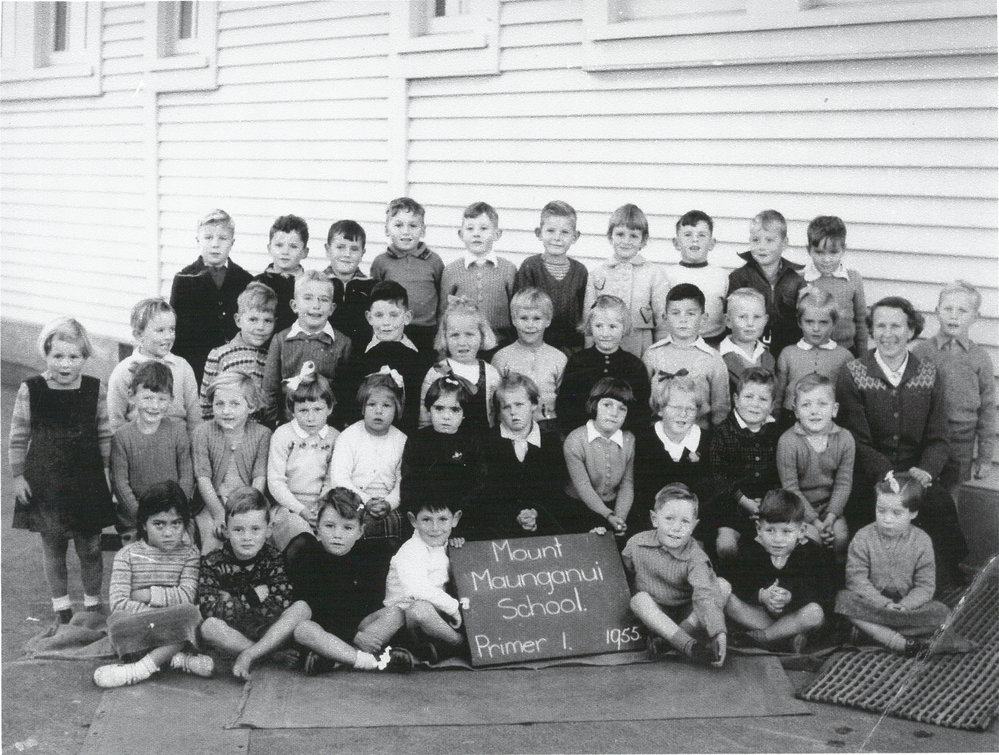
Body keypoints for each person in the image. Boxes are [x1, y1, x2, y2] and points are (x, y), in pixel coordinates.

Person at [837, 296, 967, 587]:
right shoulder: (853, 373)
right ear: (871, 330)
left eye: (896, 326)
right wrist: (886, 475)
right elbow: (856, 439)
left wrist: (926, 472)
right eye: (880, 326)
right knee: (869, 517)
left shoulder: (929, 373)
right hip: (870, 473)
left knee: (938, 507)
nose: (887, 334)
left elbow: (938, 437)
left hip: (917, 472)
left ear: (911, 330)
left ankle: (940, 584)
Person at [9, 317, 113, 624]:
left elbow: (104, 434)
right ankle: (62, 609)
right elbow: (18, 435)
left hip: (87, 481)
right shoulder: (32, 389)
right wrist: (18, 476)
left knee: (90, 547)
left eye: (73, 356)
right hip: (46, 484)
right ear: (46, 353)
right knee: (53, 547)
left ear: (85, 356)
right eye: (58, 356)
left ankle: (93, 606)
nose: (65, 364)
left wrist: (106, 473)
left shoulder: (95, 389)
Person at [93, 482, 212, 687]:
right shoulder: (126, 555)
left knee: (191, 614)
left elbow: (186, 596)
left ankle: (138, 670)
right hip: (143, 626)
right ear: (143, 525)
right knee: (117, 622)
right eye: (159, 524)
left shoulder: (190, 553)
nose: (168, 532)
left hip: (173, 623)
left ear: (185, 524)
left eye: (176, 524)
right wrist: (157, 616)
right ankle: (176, 659)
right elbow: (119, 603)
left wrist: (147, 594)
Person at [286, 488, 414, 674]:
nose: (337, 535)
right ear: (318, 528)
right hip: (326, 630)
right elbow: (314, 609)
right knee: (302, 629)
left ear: (360, 531)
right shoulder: (308, 556)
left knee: (395, 613)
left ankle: (336, 659)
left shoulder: (368, 556)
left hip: (361, 629)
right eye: (330, 526)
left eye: (347, 528)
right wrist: (354, 636)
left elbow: (370, 605)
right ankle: (368, 660)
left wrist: (360, 634)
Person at [623, 483, 744, 667]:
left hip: (689, 615)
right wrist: (599, 538)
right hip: (656, 615)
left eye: (685, 521)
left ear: (694, 526)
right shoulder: (636, 544)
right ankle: (689, 646)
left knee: (721, 586)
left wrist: (718, 632)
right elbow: (621, 573)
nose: (676, 527)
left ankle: (671, 641)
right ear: (654, 519)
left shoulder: (696, 557)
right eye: (669, 519)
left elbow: (705, 594)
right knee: (639, 600)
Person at [197, 487, 311, 680]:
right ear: (226, 530)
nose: (247, 537)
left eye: (255, 529)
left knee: (302, 608)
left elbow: (281, 601)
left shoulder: (273, 558)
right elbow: (209, 608)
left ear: (268, 530)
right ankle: (269, 655)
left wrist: (232, 601)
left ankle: (250, 654)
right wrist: (252, 598)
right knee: (209, 627)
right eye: (238, 530)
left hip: (270, 629)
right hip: (234, 633)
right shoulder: (212, 562)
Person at [836, 472, 950, 656]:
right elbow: (856, 580)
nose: (887, 519)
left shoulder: (922, 541)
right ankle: (899, 643)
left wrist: (906, 605)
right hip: (872, 605)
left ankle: (871, 632)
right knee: (843, 599)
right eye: (881, 511)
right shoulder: (863, 537)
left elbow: (925, 585)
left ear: (913, 513)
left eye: (897, 513)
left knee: (943, 613)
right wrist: (883, 604)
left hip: (906, 610)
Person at [912, 280, 995, 494]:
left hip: (961, 441)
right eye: (948, 309)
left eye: (962, 310)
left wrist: (985, 457)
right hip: (926, 438)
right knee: (919, 491)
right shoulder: (922, 352)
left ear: (975, 316)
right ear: (937, 311)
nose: (954, 316)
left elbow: (987, 410)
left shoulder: (980, 358)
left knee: (951, 494)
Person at [727, 489, 832, 653]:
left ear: (801, 531)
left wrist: (791, 597)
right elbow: (738, 584)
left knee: (815, 613)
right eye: (770, 530)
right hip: (763, 617)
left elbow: (823, 593)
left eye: (786, 531)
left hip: (795, 617)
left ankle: (763, 637)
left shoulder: (811, 553)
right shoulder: (751, 550)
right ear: (758, 529)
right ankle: (783, 638)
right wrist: (762, 596)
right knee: (729, 600)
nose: (777, 539)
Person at [477, 372, 567, 539]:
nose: (513, 412)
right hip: (499, 527)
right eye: (506, 407)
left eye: (519, 404)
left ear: (534, 404)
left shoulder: (551, 441)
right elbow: (485, 495)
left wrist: (535, 513)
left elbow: (555, 491)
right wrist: (515, 516)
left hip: (544, 522)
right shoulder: (487, 442)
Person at [110, 362, 195, 538]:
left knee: (186, 545)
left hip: (173, 515)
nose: (154, 406)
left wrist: (174, 513)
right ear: (132, 397)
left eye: (162, 399)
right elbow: (120, 484)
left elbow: (186, 477)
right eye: (147, 398)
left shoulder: (178, 432)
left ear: (171, 400)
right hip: (135, 519)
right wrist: (143, 518)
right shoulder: (122, 437)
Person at [169, 209, 253, 383]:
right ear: (197, 241)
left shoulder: (245, 279)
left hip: (236, 367)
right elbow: (177, 331)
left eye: (222, 238)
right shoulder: (184, 279)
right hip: (196, 368)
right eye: (208, 237)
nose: (215, 244)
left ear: (232, 242)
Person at [192, 371, 271, 554]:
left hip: (250, 503)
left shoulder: (262, 434)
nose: (226, 411)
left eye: (235, 404)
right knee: (213, 540)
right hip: (213, 503)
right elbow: (203, 478)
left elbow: (259, 478)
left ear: (251, 406)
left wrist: (249, 512)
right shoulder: (202, 433)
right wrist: (219, 514)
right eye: (219, 404)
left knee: (253, 539)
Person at [381, 497, 467, 662]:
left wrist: (457, 549)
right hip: (405, 618)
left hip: (439, 615)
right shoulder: (411, 550)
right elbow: (418, 589)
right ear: (413, 520)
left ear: (455, 519)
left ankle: (435, 648)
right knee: (420, 609)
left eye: (443, 519)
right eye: (426, 520)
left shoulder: (443, 545)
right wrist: (454, 607)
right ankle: (459, 643)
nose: (435, 528)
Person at [261, 270, 351, 426]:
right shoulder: (280, 340)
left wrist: (336, 426)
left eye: (323, 299)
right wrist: (272, 424)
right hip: (288, 424)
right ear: (294, 305)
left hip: (327, 425)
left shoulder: (342, 343)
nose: (316, 306)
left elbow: (345, 393)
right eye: (308, 298)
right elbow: (270, 389)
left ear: (332, 309)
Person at [777, 374, 854, 557]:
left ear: (834, 409)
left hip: (830, 508)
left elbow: (843, 484)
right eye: (806, 405)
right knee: (813, 541)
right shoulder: (788, 442)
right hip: (797, 509)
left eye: (822, 404)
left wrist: (831, 517)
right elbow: (790, 489)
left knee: (841, 538)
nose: (814, 411)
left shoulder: (845, 439)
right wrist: (816, 523)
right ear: (796, 411)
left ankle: (837, 574)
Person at [401, 375, 484, 541]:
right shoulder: (418, 440)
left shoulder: (471, 442)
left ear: (464, 413)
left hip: (460, 523)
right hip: (425, 521)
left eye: (455, 410)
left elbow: (477, 485)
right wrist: (425, 520)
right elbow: (410, 484)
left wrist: (457, 526)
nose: (446, 416)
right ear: (428, 409)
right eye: (439, 408)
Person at [330, 369, 408, 544]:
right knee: (353, 523)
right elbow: (339, 478)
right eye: (372, 404)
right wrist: (365, 501)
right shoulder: (348, 436)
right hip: (352, 500)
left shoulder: (402, 440)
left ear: (397, 409)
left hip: (388, 504)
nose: (378, 411)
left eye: (386, 406)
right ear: (363, 407)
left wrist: (389, 503)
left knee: (396, 525)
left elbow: (403, 481)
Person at [632, 375, 714, 541]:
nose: (683, 414)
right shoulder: (643, 441)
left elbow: (709, 497)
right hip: (652, 527)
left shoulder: (709, 442)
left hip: (694, 530)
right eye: (676, 407)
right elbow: (641, 497)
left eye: (690, 409)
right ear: (661, 409)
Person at [710, 367, 780, 560]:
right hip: (732, 506)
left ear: (772, 406)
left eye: (763, 399)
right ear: (736, 399)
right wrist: (744, 501)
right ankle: (729, 577)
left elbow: (781, 474)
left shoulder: (776, 432)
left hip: (769, 507)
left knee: (773, 545)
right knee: (726, 545)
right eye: (749, 397)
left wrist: (768, 503)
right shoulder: (723, 432)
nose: (755, 404)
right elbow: (719, 477)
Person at [266, 363, 339, 551]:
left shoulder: (335, 437)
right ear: (292, 410)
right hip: (288, 506)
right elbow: (275, 481)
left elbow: (331, 479)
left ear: (329, 408)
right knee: (301, 539)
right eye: (303, 410)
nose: (310, 418)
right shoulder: (283, 435)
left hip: (323, 506)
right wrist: (301, 510)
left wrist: (320, 508)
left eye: (318, 409)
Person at [344, 280, 431, 433]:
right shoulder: (358, 358)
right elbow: (351, 406)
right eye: (379, 315)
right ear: (369, 317)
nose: (386, 323)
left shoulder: (419, 360)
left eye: (393, 315)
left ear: (407, 317)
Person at [556, 294, 651, 435]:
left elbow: (641, 411)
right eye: (599, 326)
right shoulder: (578, 362)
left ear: (624, 328)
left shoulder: (634, 366)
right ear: (590, 326)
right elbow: (566, 406)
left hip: (623, 436)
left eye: (612, 326)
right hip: (583, 436)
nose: (605, 333)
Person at [583, 203, 669, 357]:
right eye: (620, 234)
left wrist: (660, 354)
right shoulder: (597, 274)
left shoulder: (654, 274)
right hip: (603, 344)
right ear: (610, 236)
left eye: (633, 236)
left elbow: (663, 319)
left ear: (643, 240)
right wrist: (588, 352)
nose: (626, 241)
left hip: (640, 345)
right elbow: (588, 318)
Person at [642, 283, 729, 429]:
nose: (683, 319)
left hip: (699, 433)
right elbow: (642, 402)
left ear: (703, 318)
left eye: (690, 313)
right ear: (665, 317)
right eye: (675, 313)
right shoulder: (653, 354)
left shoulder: (713, 359)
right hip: (657, 434)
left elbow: (720, 409)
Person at [107, 298, 200, 434]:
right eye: (160, 330)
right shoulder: (124, 371)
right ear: (139, 335)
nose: (168, 336)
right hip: (138, 441)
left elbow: (194, 417)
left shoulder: (182, 367)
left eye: (172, 329)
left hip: (178, 441)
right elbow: (116, 421)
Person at [562, 377, 635, 537]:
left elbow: (627, 484)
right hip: (579, 507)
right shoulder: (575, 440)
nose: (614, 413)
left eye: (622, 408)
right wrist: (608, 516)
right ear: (595, 405)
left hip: (615, 506)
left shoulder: (629, 439)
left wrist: (620, 518)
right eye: (607, 405)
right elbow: (583, 486)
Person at [370, 197, 444, 354]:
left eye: (413, 225)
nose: (406, 231)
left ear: (423, 230)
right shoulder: (381, 262)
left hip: (426, 331)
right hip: (392, 328)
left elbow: (441, 297)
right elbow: (374, 300)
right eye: (398, 225)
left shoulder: (434, 261)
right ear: (387, 229)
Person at [728, 210, 805, 359]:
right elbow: (730, 320)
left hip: (786, 351)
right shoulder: (739, 278)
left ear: (784, 243)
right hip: (749, 351)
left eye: (769, 240)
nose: (761, 246)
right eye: (756, 240)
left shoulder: (795, 280)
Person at [513, 200, 588, 354]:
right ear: (539, 233)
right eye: (551, 231)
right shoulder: (530, 267)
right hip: (535, 344)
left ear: (575, 236)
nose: (557, 237)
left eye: (564, 232)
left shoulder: (580, 271)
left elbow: (583, 313)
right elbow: (519, 309)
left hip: (571, 346)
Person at [440, 201, 517, 348]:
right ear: (461, 234)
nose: (476, 234)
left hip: (502, 343)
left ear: (497, 234)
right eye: (470, 228)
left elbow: (516, 311)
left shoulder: (508, 269)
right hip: (464, 345)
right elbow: (443, 313)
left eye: (484, 228)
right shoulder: (451, 270)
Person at [200, 282, 277, 424]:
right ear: (238, 320)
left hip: (261, 431)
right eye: (253, 319)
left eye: (267, 321)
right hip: (224, 428)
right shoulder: (220, 354)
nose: (260, 327)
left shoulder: (271, 357)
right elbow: (206, 403)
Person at [419, 299, 501, 433]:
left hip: (482, 442)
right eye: (454, 335)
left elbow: (497, 416)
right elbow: (425, 414)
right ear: (445, 338)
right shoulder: (438, 370)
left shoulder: (490, 373)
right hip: (444, 441)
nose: (462, 342)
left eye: (469, 334)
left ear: (482, 336)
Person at [491, 287, 567, 432]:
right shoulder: (501, 357)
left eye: (537, 318)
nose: (530, 325)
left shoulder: (558, 358)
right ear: (514, 320)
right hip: (511, 427)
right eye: (524, 318)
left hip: (548, 428)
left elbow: (563, 401)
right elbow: (495, 402)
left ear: (548, 320)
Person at [774, 288, 852, 427]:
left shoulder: (844, 356)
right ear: (799, 322)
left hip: (828, 420)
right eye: (809, 322)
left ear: (834, 323)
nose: (816, 328)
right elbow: (778, 396)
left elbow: (849, 399)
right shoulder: (788, 353)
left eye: (823, 322)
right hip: (791, 419)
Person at [802, 215, 868, 356]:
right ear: (809, 250)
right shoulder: (801, 280)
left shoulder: (853, 278)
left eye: (833, 252)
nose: (827, 259)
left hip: (847, 350)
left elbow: (861, 321)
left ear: (843, 249)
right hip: (810, 353)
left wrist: (863, 356)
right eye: (819, 252)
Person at [666, 210, 728, 348]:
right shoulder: (668, 275)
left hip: (715, 343)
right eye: (688, 234)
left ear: (712, 243)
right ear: (676, 243)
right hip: (678, 343)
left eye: (702, 235)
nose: (695, 240)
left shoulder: (722, 275)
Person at [252, 214, 311, 334]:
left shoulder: (310, 284)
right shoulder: (258, 283)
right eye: (279, 245)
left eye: (293, 246)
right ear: (269, 248)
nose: (285, 252)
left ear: (305, 252)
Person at [324, 219, 375, 354]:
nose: (347, 254)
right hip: (323, 352)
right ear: (328, 250)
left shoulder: (371, 286)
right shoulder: (318, 283)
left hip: (359, 354)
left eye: (354, 249)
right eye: (340, 247)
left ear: (362, 253)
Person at [719, 288, 774, 402]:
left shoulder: (768, 356)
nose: (750, 323)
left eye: (757, 317)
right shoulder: (718, 357)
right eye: (742, 317)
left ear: (765, 320)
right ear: (728, 321)